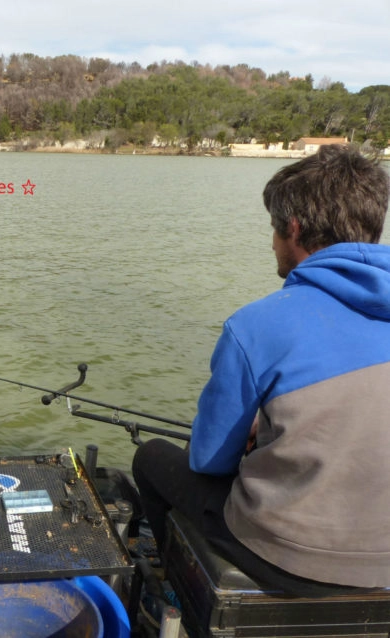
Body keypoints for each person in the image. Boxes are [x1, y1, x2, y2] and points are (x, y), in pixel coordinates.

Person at [132, 144, 390, 596]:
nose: (271, 242)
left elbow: (208, 461)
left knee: (151, 457)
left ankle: (171, 589)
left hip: (289, 560)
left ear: (293, 229)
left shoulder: (257, 324)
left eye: (273, 228)